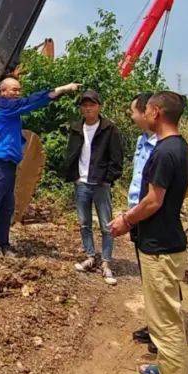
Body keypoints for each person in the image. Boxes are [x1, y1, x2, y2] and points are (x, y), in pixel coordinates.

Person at [111, 91, 188, 374]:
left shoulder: (164, 152)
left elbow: (153, 200)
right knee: (163, 312)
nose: (139, 114)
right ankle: (171, 367)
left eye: (143, 109)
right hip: (165, 240)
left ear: (156, 112)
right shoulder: (178, 147)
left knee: (165, 318)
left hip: (160, 245)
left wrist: (125, 221)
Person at [0, 77, 80, 255]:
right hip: (0, 163)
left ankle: (3, 245)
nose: (18, 93)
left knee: (7, 206)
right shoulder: (6, 107)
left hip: (5, 162)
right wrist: (62, 89)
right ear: (3, 92)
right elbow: (33, 102)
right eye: (14, 90)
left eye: (19, 90)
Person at [126, 92, 188, 348]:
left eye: (135, 111)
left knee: (163, 286)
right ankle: (156, 329)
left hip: (155, 224)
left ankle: (165, 342)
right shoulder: (146, 141)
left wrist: (171, 201)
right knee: (152, 285)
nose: (132, 115)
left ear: (152, 112)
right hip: (144, 221)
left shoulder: (167, 147)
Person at [60, 89, 123, 284]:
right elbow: (71, 153)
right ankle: (90, 257)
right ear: (81, 108)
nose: (88, 108)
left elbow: (117, 158)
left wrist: (108, 179)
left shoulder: (109, 128)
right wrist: (74, 177)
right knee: (84, 223)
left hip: (100, 184)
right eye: (84, 105)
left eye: (92, 104)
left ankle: (106, 262)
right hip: (82, 183)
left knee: (106, 225)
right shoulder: (77, 128)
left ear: (99, 107)